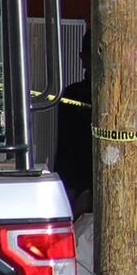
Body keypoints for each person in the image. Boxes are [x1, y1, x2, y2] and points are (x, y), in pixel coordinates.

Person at [53, 31, 93, 206]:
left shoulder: (129, 95)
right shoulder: (73, 94)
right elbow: (66, 144)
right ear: (83, 58)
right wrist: (69, 186)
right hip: (81, 182)